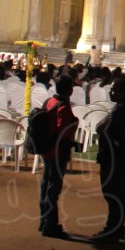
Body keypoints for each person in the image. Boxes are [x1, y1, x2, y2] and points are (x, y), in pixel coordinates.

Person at [93, 76, 125, 242]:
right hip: (122, 156)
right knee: (119, 192)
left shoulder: (121, 109)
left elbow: (101, 127)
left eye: (113, 90)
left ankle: (112, 229)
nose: (111, 93)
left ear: (122, 92)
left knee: (113, 192)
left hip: (114, 156)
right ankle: (117, 227)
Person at [37, 75, 78, 238]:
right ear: (69, 90)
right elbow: (63, 130)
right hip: (57, 151)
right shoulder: (63, 106)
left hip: (47, 150)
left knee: (46, 185)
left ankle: (44, 221)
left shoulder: (49, 102)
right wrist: (74, 124)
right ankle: (50, 224)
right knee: (53, 189)